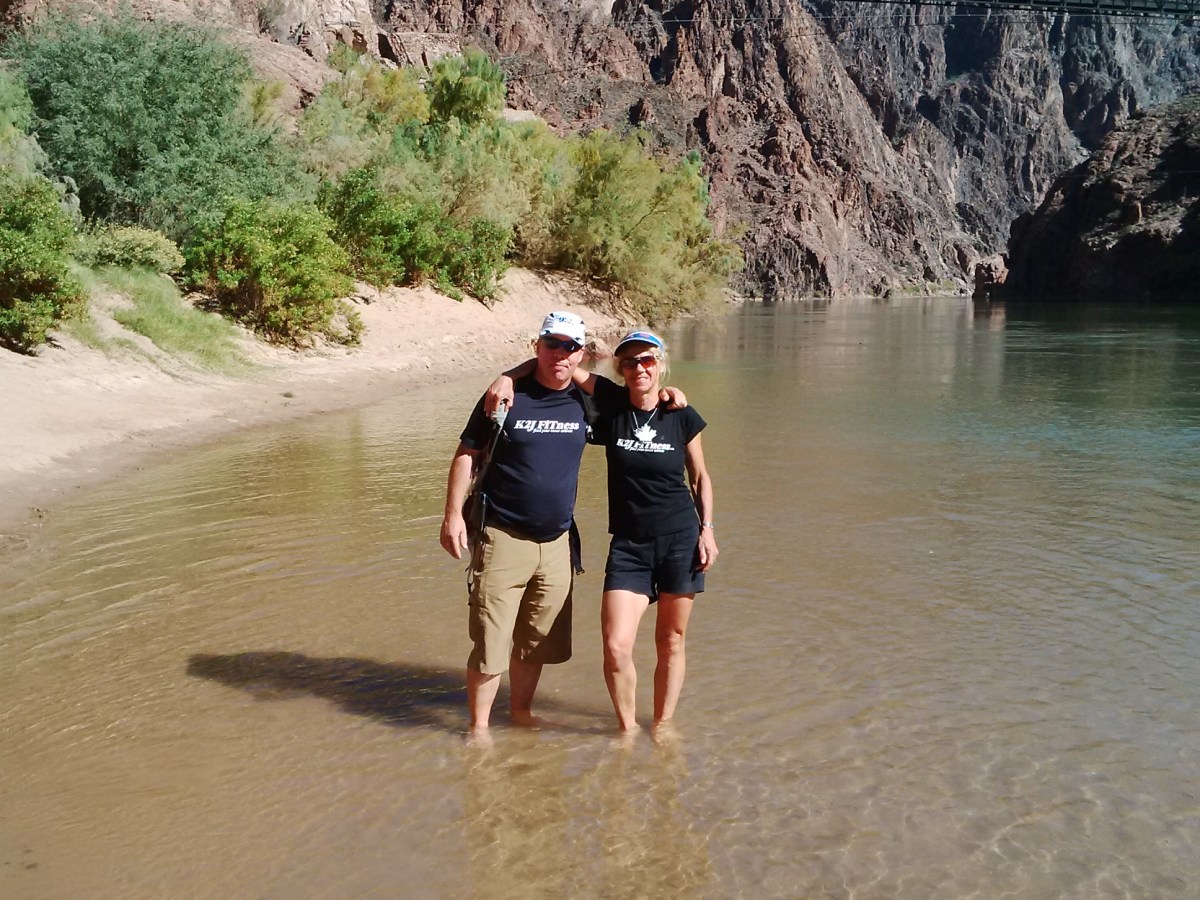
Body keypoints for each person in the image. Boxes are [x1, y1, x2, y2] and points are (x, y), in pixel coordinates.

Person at [486, 329, 716, 733]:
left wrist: (708, 530)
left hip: (680, 539)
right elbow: (561, 365)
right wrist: (508, 375)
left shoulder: (680, 414)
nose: (638, 368)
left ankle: (662, 726)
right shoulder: (611, 407)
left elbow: (699, 478)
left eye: (647, 360)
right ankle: (627, 730)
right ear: (620, 369)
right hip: (628, 545)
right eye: (629, 362)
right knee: (615, 647)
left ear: (660, 365)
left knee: (671, 640)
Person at [440, 311, 592, 739]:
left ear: (581, 352)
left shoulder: (587, 400)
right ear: (537, 346)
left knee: (536, 640)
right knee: (491, 640)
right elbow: (468, 453)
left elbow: (641, 403)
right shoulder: (504, 396)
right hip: (502, 534)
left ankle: (521, 714)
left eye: (570, 346)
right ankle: (479, 729)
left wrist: (674, 395)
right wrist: (452, 515)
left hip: (558, 540)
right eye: (552, 344)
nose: (560, 353)